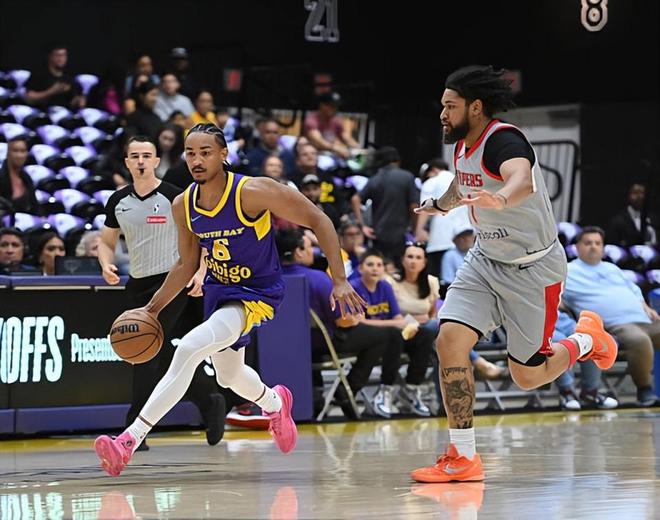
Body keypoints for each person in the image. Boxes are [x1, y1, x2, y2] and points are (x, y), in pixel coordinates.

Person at [93, 124, 365, 476]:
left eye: (206, 152)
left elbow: (318, 219)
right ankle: (275, 402)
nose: (197, 160)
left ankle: (128, 441)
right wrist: (151, 309)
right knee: (228, 376)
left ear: (224, 155)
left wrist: (339, 279)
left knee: (188, 348)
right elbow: (186, 264)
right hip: (220, 291)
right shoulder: (183, 204)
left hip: (256, 292)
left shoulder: (253, 191)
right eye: (191, 153)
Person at [410, 65, 617, 483]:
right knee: (449, 340)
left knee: (527, 375)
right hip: (485, 261)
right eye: (442, 106)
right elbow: (463, 186)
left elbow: (520, 178)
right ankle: (463, 455)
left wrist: (502, 198)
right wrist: (441, 205)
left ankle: (585, 340)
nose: (443, 114)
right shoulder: (462, 146)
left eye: (450, 106)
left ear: (476, 107)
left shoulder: (504, 140)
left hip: (533, 269)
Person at [98, 135, 226, 452]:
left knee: (144, 351)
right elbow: (106, 241)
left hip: (171, 281)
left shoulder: (174, 196)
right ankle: (208, 399)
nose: (141, 161)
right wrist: (105, 263)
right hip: (137, 282)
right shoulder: (118, 200)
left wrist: (200, 271)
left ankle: (135, 429)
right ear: (127, 162)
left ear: (156, 161)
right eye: (135, 156)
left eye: (147, 155)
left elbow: (200, 237)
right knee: (158, 350)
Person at [276, 228, 384, 419]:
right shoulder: (318, 278)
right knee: (383, 336)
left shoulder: (272, 281)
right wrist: (354, 318)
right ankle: (346, 390)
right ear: (298, 252)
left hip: (283, 348)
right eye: (309, 247)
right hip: (323, 343)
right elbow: (342, 321)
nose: (313, 251)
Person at [562, 226, 660, 406]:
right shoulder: (567, 271)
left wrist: (645, 306)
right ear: (577, 247)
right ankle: (644, 391)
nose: (593, 246)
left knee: (645, 334)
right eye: (588, 243)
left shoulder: (612, 268)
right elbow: (554, 296)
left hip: (644, 320)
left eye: (597, 243)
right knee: (639, 340)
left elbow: (634, 289)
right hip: (614, 326)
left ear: (603, 247)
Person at [358, 146, 420, 262]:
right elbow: (414, 206)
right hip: (400, 234)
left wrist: (362, 225)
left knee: (380, 266)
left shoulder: (375, 179)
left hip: (378, 235)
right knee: (398, 267)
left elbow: (355, 199)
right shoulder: (407, 177)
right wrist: (415, 228)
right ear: (398, 160)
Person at [415, 159, 471, 278]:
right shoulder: (461, 180)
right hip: (464, 238)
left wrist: (419, 231)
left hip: (440, 240)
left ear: (434, 170)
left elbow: (426, 208)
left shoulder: (432, 182)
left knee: (438, 279)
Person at [552, 310, 618, 410]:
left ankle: (590, 392)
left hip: (559, 318)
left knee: (590, 335)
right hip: (537, 322)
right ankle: (567, 392)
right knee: (560, 341)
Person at [24, 44, 85, 109]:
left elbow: (72, 102)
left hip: (64, 112)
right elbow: (28, 99)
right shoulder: (39, 74)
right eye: (57, 55)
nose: (61, 59)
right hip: (43, 112)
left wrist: (78, 101)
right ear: (50, 57)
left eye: (64, 55)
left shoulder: (69, 77)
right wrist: (52, 91)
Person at [303, 92, 360, 160]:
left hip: (330, 154)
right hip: (312, 156)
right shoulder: (312, 120)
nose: (334, 109)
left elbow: (346, 138)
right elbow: (318, 141)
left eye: (336, 106)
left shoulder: (337, 121)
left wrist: (358, 148)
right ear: (322, 105)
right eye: (331, 105)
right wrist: (336, 148)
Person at [608, 182, 658, 247]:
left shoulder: (654, 219)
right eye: (635, 193)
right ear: (628, 195)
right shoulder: (618, 220)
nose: (639, 196)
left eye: (642, 193)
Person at [0, 137, 38, 214]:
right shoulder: (1, 177)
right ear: (8, 153)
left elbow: (35, 207)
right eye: (15, 151)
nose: (19, 155)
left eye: (23, 151)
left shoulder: (27, 178)